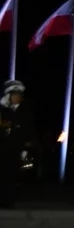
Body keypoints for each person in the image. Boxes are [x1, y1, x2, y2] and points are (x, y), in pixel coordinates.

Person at [0, 79, 35, 208]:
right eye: (15, 95)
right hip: (2, 146)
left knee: (12, 174)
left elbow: (29, 129)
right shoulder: (2, 109)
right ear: (9, 95)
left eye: (19, 95)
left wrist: (26, 147)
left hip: (16, 147)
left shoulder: (25, 109)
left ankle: (8, 200)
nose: (17, 97)